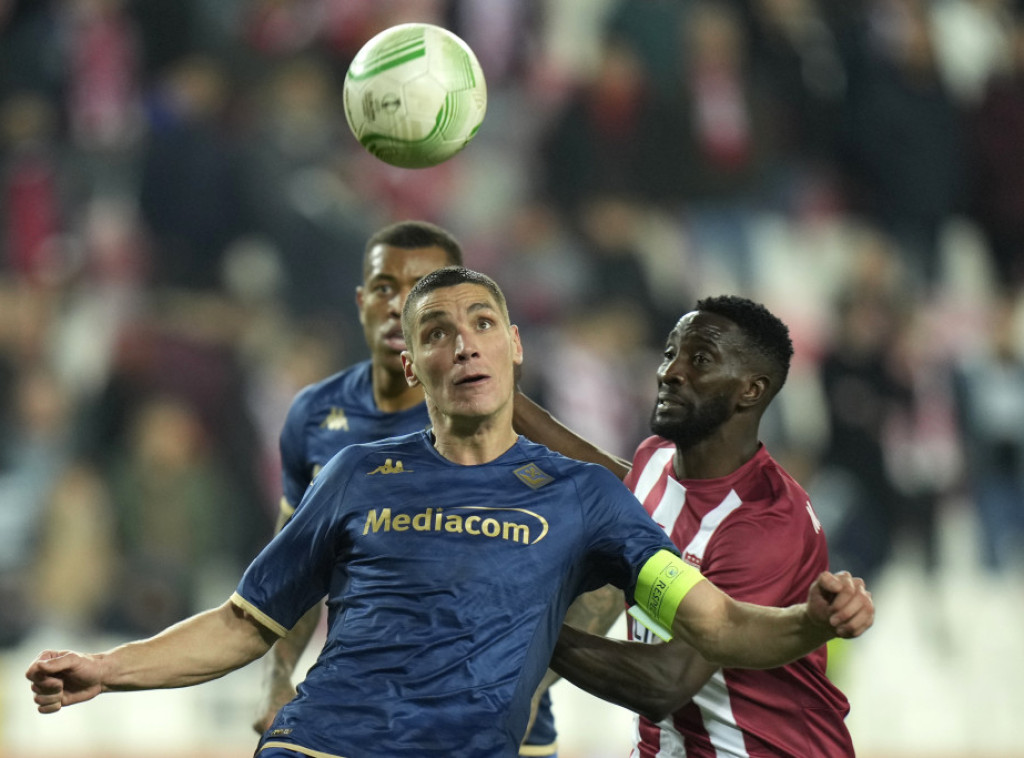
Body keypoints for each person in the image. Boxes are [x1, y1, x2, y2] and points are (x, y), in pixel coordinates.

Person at [27, 269, 873, 758]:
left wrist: (811, 622)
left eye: (482, 324)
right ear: (412, 366)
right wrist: (107, 668)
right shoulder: (358, 474)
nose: (463, 342)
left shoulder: (588, 501)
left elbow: (716, 627)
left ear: (516, 346)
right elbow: (242, 623)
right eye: (436, 331)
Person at [251, 220, 561, 756]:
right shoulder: (315, 414)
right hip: (367, 721)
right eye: (384, 288)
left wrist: (530, 683)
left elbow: (596, 559)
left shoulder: (502, 412)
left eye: (421, 289)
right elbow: (293, 570)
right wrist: (278, 675)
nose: (399, 305)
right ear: (361, 301)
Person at [513, 294, 863, 756]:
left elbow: (666, 683)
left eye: (699, 359)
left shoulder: (765, 521)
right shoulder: (656, 460)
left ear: (750, 390)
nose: (669, 372)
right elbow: (594, 472)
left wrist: (515, 622)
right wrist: (503, 400)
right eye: (669, 353)